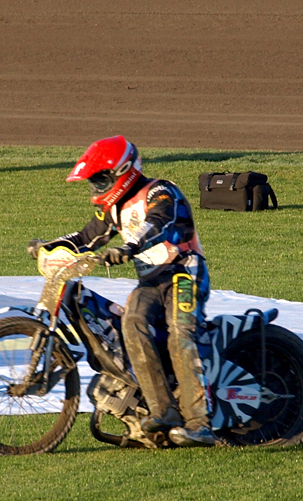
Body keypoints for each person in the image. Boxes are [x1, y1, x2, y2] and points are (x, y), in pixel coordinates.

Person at [28, 135, 217, 447]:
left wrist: (129, 247)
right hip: (151, 283)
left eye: (101, 180)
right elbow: (86, 237)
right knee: (132, 324)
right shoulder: (113, 208)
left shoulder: (159, 190)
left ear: (123, 172)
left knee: (180, 333)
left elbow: (157, 222)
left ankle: (200, 423)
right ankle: (164, 411)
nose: (96, 188)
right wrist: (48, 246)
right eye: (94, 182)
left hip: (184, 274)